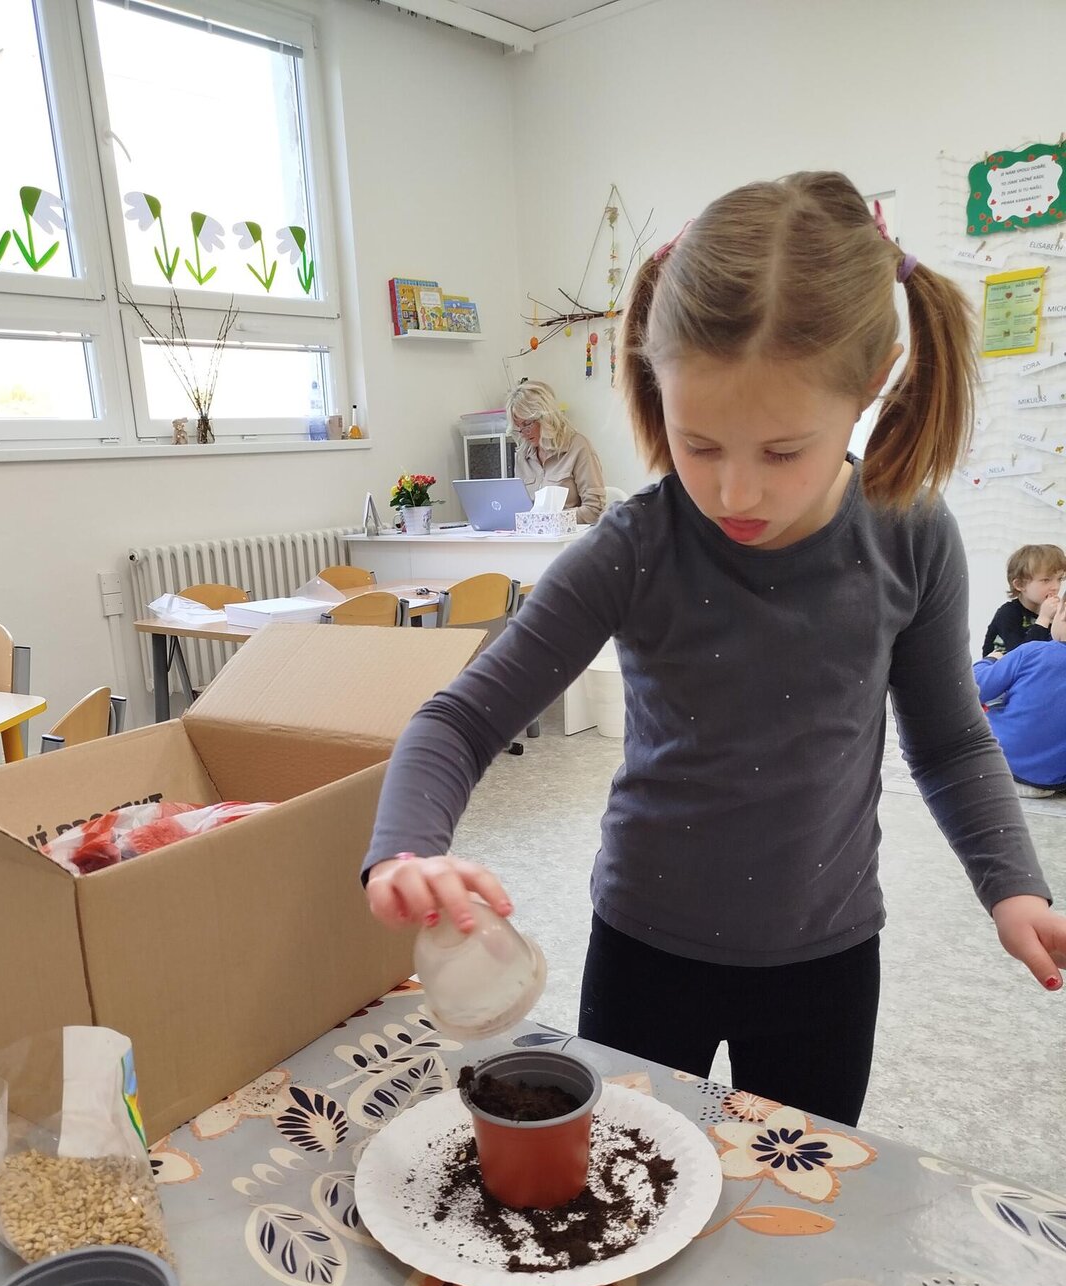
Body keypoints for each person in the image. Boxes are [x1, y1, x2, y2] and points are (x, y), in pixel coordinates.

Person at [363, 171, 1066, 1129]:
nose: (735, 493)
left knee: (799, 1187)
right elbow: (460, 720)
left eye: (782, 452)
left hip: (825, 962)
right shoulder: (633, 547)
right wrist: (405, 851)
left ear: (874, 380)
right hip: (645, 952)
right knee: (634, 1172)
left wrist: (1012, 886)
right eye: (698, 445)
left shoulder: (911, 535)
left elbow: (949, 742)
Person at [975, 603, 1066, 796]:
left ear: (1063, 612)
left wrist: (989, 661)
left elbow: (974, 689)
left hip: (997, 764)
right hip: (1050, 783)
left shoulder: (1033, 651)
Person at [508, 380, 606, 524]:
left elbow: (594, 510)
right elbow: (519, 509)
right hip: (532, 535)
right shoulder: (522, 455)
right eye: (518, 427)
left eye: (527, 424)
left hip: (569, 536)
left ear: (545, 417)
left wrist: (551, 520)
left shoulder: (578, 447)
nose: (523, 433)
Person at [980, 543, 1066, 658]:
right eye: (1046, 580)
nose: (1055, 587)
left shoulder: (1055, 613)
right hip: (1002, 667)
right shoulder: (1008, 613)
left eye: (1059, 579)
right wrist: (1043, 619)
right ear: (1020, 584)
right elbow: (1022, 658)